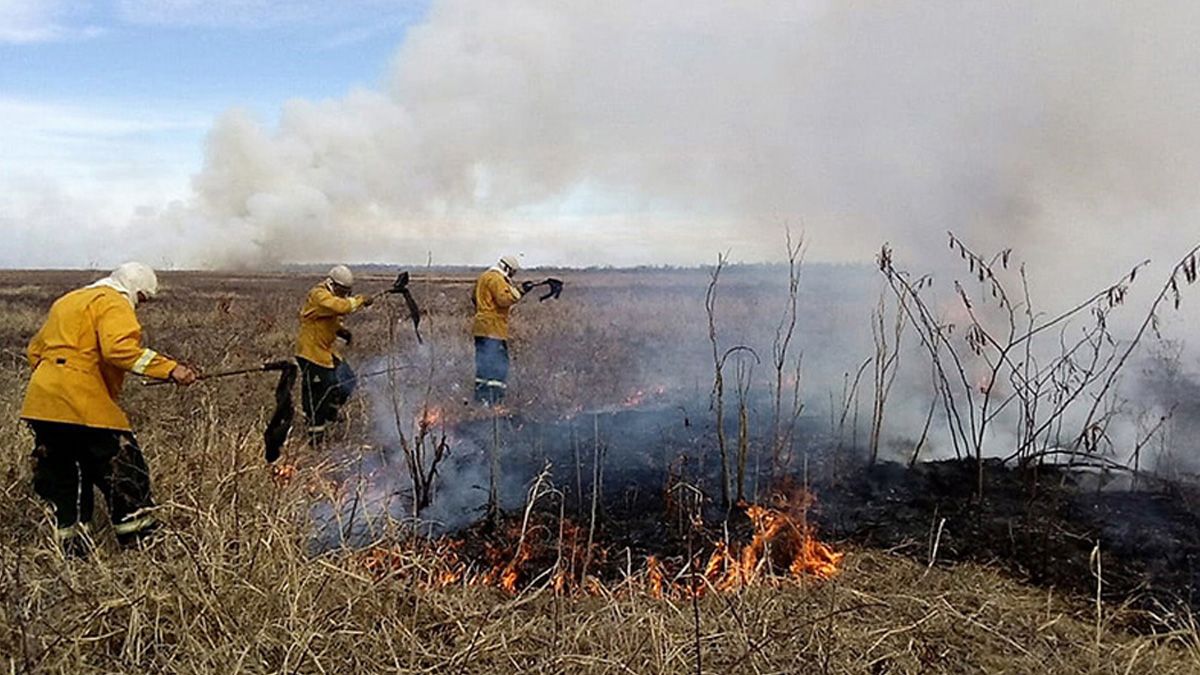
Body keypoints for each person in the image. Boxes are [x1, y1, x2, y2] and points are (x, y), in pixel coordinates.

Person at [20, 262, 198, 557]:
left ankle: (72, 551)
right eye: (142, 300)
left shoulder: (68, 301)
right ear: (135, 289)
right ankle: (141, 545)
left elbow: (34, 351)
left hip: (42, 402)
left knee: (67, 478)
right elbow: (119, 350)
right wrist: (171, 369)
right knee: (124, 469)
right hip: (80, 402)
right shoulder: (114, 302)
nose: (139, 306)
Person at [295, 265, 373, 442]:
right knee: (319, 393)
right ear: (332, 284)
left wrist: (341, 331)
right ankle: (316, 436)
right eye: (342, 290)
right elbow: (340, 307)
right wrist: (360, 300)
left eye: (347, 291)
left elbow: (328, 319)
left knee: (348, 380)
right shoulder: (319, 295)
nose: (343, 294)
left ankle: (330, 412)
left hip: (326, 352)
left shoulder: (330, 297)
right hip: (311, 354)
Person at [472, 255, 532, 405]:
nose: (512, 275)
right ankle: (494, 401)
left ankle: (481, 400)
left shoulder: (484, 277)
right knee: (498, 365)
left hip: (480, 327)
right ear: (507, 268)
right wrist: (520, 292)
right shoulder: (497, 279)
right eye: (512, 272)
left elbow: (474, 297)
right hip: (493, 329)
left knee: (483, 365)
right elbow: (503, 300)